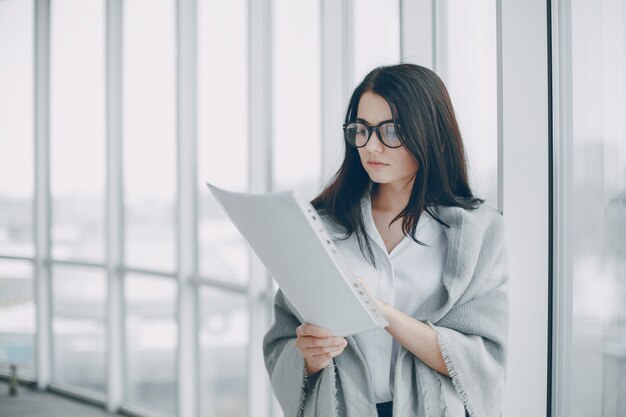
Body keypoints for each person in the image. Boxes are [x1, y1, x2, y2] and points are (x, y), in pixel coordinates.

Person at [263, 63, 510, 417]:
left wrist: (379, 311)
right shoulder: (322, 226)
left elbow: (483, 359)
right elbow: (283, 339)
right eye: (361, 130)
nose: (371, 146)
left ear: (434, 137)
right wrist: (308, 357)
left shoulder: (479, 234)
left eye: (390, 131)